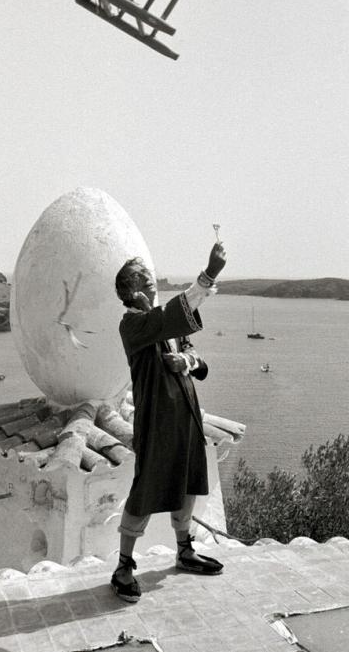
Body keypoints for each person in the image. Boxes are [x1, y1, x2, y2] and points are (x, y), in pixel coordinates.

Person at [111, 241, 227, 602]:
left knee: (189, 479)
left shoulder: (164, 324)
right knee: (146, 487)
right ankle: (124, 565)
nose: (151, 287)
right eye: (145, 284)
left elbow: (197, 358)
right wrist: (208, 276)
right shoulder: (134, 325)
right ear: (131, 292)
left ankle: (184, 549)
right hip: (158, 419)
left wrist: (187, 363)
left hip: (187, 415)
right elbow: (166, 320)